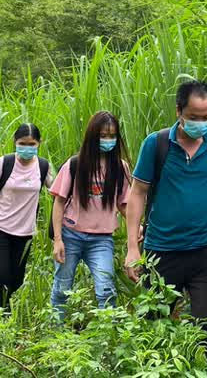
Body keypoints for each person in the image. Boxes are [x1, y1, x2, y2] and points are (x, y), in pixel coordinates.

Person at [124, 80, 207, 356]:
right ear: (179, 111)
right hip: (162, 254)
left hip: (206, 254)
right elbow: (137, 194)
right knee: (154, 332)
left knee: (206, 327)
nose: (201, 123)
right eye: (194, 117)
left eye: (206, 117)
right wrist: (133, 247)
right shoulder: (156, 144)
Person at [49, 112, 130, 321]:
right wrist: (58, 240)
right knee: (62, 288)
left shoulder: (120, 168)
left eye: (112, 136)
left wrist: (135, 226)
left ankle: (107, 336)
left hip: (102, 239)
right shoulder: (75, 164)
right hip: (71, 235)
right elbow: (59, 202)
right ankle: (56, 331)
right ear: (93, 136)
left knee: (106, 289)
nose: (108, 140)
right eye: (104, 135)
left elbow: (124, 204)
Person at [0, 124, 53, 311]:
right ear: (15, 142)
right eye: (22, 143)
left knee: (16, 281)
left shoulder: (43, 166)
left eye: (31, 143)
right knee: (2, 278)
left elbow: (57, 192)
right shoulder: (3, 163)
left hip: (25, 232)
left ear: (39, 143)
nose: (27, 147)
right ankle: (2, 321)